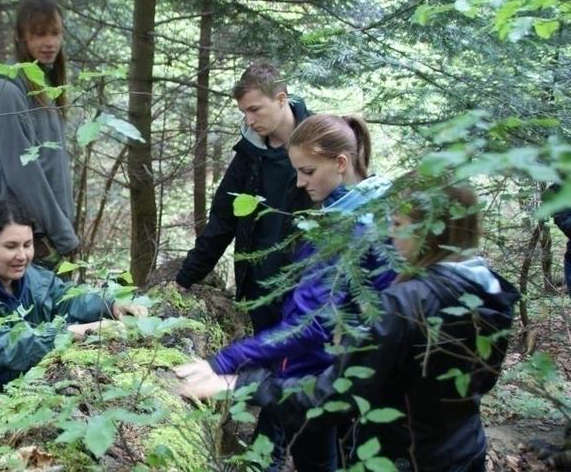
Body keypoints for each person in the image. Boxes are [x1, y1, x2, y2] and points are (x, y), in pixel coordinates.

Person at [180, 183, 518, 472]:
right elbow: (481, 380)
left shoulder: (406, 302)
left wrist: (238, 383)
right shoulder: (492, 291)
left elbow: (338, 394)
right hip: (465, 451)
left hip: (401, 457)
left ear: (429, 233)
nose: (389, 233)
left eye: (397, 224)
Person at [177, 114, 395, 471]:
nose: (299, 181)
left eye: (308, 171)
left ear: (341, 163)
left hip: (331, 377)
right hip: (345, 377)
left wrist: (223, 363)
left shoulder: (348, 229)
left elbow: (310, 326)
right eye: (297, 171)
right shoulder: (373, 205)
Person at [0, 200, 147, 388]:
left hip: (25, 379)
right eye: (10, 246)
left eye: (27, 245)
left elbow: (65, 297)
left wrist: (109, 305)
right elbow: (1, 347)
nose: (22, 256)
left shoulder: (28, 276)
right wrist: (72, 333)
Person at [175, 62, 312, 332]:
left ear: (281, 99)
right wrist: (184, 278)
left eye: (255, 110)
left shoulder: (319, 142)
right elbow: (222, 221)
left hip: (305, 289)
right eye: (244, 112)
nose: (249, 120)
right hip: (258, 291)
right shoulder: (249, 156)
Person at [0, 0, 76, 265]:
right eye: (38, 34)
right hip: (24, 236)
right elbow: (23, 173)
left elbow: (50, 166)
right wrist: (64, 235)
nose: (49, 42)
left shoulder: (44, 83)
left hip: (47, 231)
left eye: (55, 33)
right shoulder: (8, 90)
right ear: (19, 36)